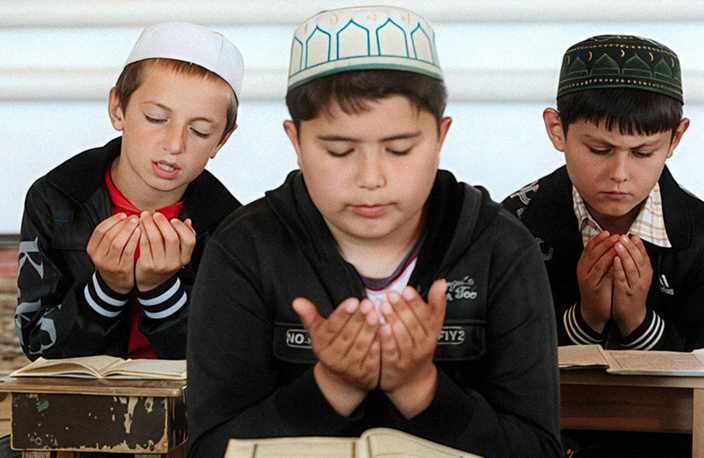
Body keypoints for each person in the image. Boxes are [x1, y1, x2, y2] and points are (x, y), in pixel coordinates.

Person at [187, 6, 562, 458]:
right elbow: (210, 448)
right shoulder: (245, 248)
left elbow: (539, 448)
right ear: (297, 142)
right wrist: (332, 387)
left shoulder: (500, 248)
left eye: (400, 149)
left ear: (440, 138)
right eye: (340, 151)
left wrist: (419, 388)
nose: (371, 178)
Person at [15, 22, 244, 361]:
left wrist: (161, 289)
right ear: (118, 109)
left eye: (199, 131)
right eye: (155, 118)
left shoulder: (233, 228)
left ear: (221, 141)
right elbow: (37, 345)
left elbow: (227, 360)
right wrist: (106, 287)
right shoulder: (56, 199)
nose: (174, 144)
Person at [502, 35, 703, 353]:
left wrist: (638, 321)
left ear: (675, 139)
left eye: (642, 153)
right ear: (557, 129)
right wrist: (585, 319)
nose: (619, 173)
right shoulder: (514, 226)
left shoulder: (700, 236)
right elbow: (501, 356)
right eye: (598, 149)